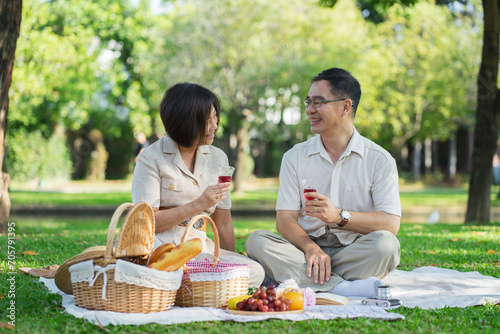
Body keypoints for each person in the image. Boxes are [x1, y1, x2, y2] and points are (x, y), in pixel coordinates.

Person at [245, 68, 401, 298]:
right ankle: (342, 287)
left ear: (345, 107)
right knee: (257, 241)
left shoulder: (379, 159)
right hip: (304, 249)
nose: (309, 110)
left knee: (387, 246)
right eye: (308, 102)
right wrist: (311, 248)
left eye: (318, 102)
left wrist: (339, 216)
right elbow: (284, 219)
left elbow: (390, 223)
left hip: (353, 252)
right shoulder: (294, 157)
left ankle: (296, 278)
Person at [132, 82, 265, 287]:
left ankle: (183, 285)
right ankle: (181, 283)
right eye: (207, 120)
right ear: (185, 122)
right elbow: (146, 224)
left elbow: (223, 222)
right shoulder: (151, 159)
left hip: (200, 249)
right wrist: (198, 204)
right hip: (161, 248)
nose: (215, 125)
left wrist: (228, 258)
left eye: (215, 116)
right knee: (178, 272)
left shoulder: (218, 158)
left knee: (254, 271)